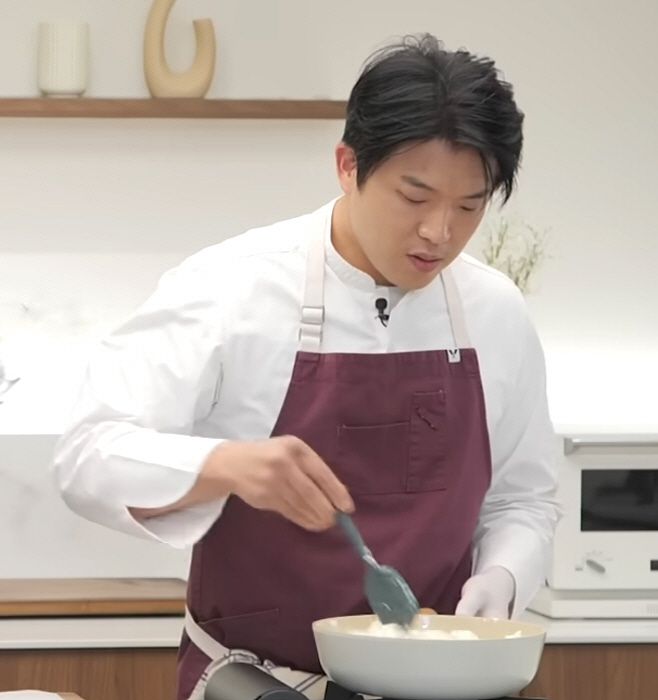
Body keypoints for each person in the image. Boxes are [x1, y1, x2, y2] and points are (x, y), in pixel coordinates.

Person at [53, 33, 560, 700]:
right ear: (348, 165)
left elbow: (524, 498)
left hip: (443, 687)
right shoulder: (233, 287)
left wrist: (503, 578)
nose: (440, 232)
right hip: (259, 681)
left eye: (469, 206)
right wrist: (225, 465)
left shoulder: (494, 311)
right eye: (415, 197)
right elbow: (86, 455)